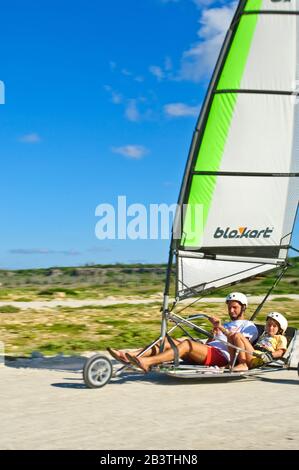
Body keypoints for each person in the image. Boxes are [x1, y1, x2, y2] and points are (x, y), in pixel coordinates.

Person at [107, 292, 258, 373]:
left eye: (235, 308)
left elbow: (238, 345)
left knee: (187, 344)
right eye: (229, 307)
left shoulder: (249, 326)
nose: (231, 310)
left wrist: (222, 329)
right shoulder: (226, 323)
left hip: (223, 357)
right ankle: (131, 356)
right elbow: (212, 342)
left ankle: (147, 362)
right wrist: (215, 332)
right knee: (166, 340)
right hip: (211, 351)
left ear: (243, 308)